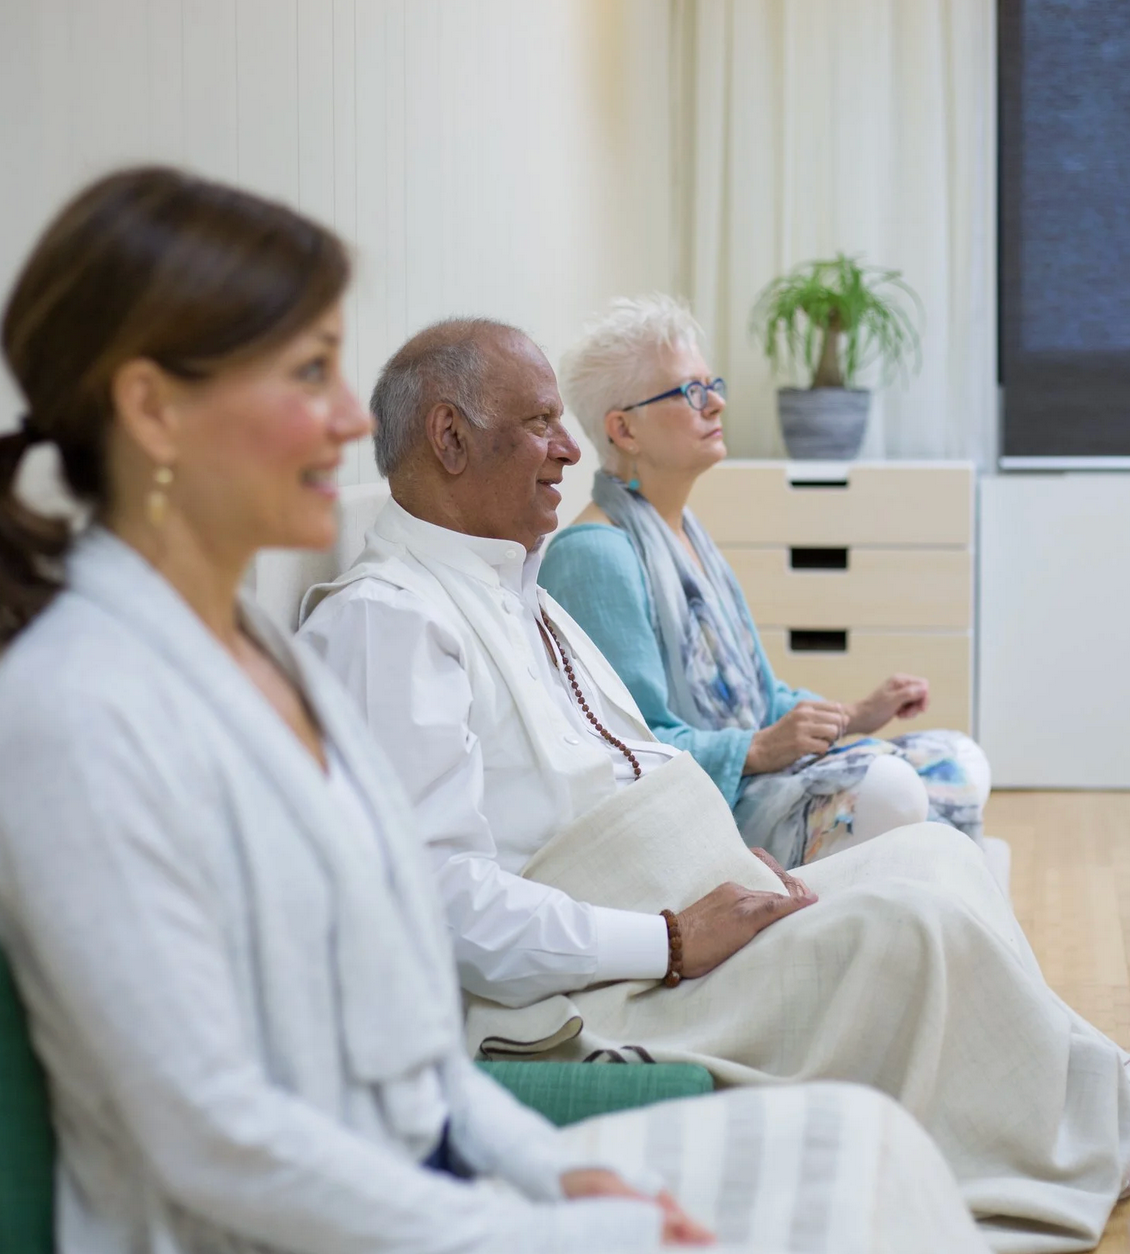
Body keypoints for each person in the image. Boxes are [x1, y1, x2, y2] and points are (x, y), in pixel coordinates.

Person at [0, 167, 993, 1254]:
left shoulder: (256, 653)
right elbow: (216, 1146)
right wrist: (543, 1227)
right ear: (152, 408)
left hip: (426, 1173)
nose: (348, 421)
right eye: (311, 371)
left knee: (867, 1148)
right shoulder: (75, 711)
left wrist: (551, 1176)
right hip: (303, 1226)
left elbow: (401, 1028)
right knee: (858, 1171)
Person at [299, 315, 1130, 1251]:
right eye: (541, 423)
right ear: (449, 438)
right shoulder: (390, 623)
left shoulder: (508, 582)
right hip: (588, 990)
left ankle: (1099, 1103)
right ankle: (1073, 1133)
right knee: (913, 931)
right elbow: (438, 904)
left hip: (685, 899)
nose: (570, 449)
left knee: (937, 856)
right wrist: (668, 939)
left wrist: (726, 872)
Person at [539, 294, 990, 867]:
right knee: (891, 790)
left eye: (712, 384)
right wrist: (758, 748)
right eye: (691, 392)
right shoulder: (594, 556)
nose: (717, 403)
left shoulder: (685, 534)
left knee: (957, 759)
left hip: (757, 775)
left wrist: (856, 714)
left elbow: (761, 696)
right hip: (707, 811)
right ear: (624, 430)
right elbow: (631, 751)